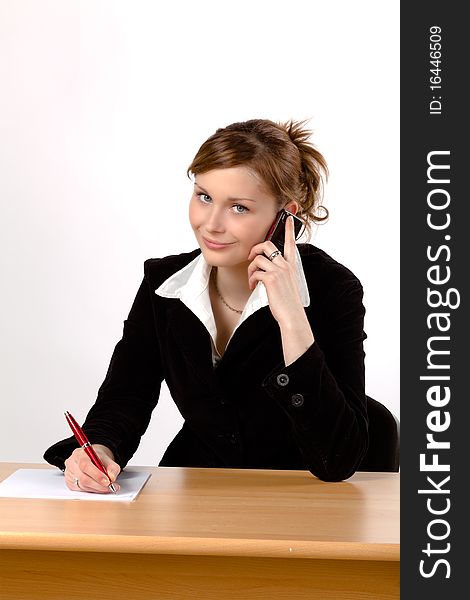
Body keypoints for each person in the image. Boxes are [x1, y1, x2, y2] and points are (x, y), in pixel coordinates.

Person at [44, 118, 368, 491]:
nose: (211, 224)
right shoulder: (163, 284)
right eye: (204, 197)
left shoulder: (332, 289)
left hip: (297, 500)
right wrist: (100, 448)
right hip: (196, 492)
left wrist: (293, 318)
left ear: (285, 216)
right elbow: (126, 396)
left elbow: (340, 458)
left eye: (239, 208)